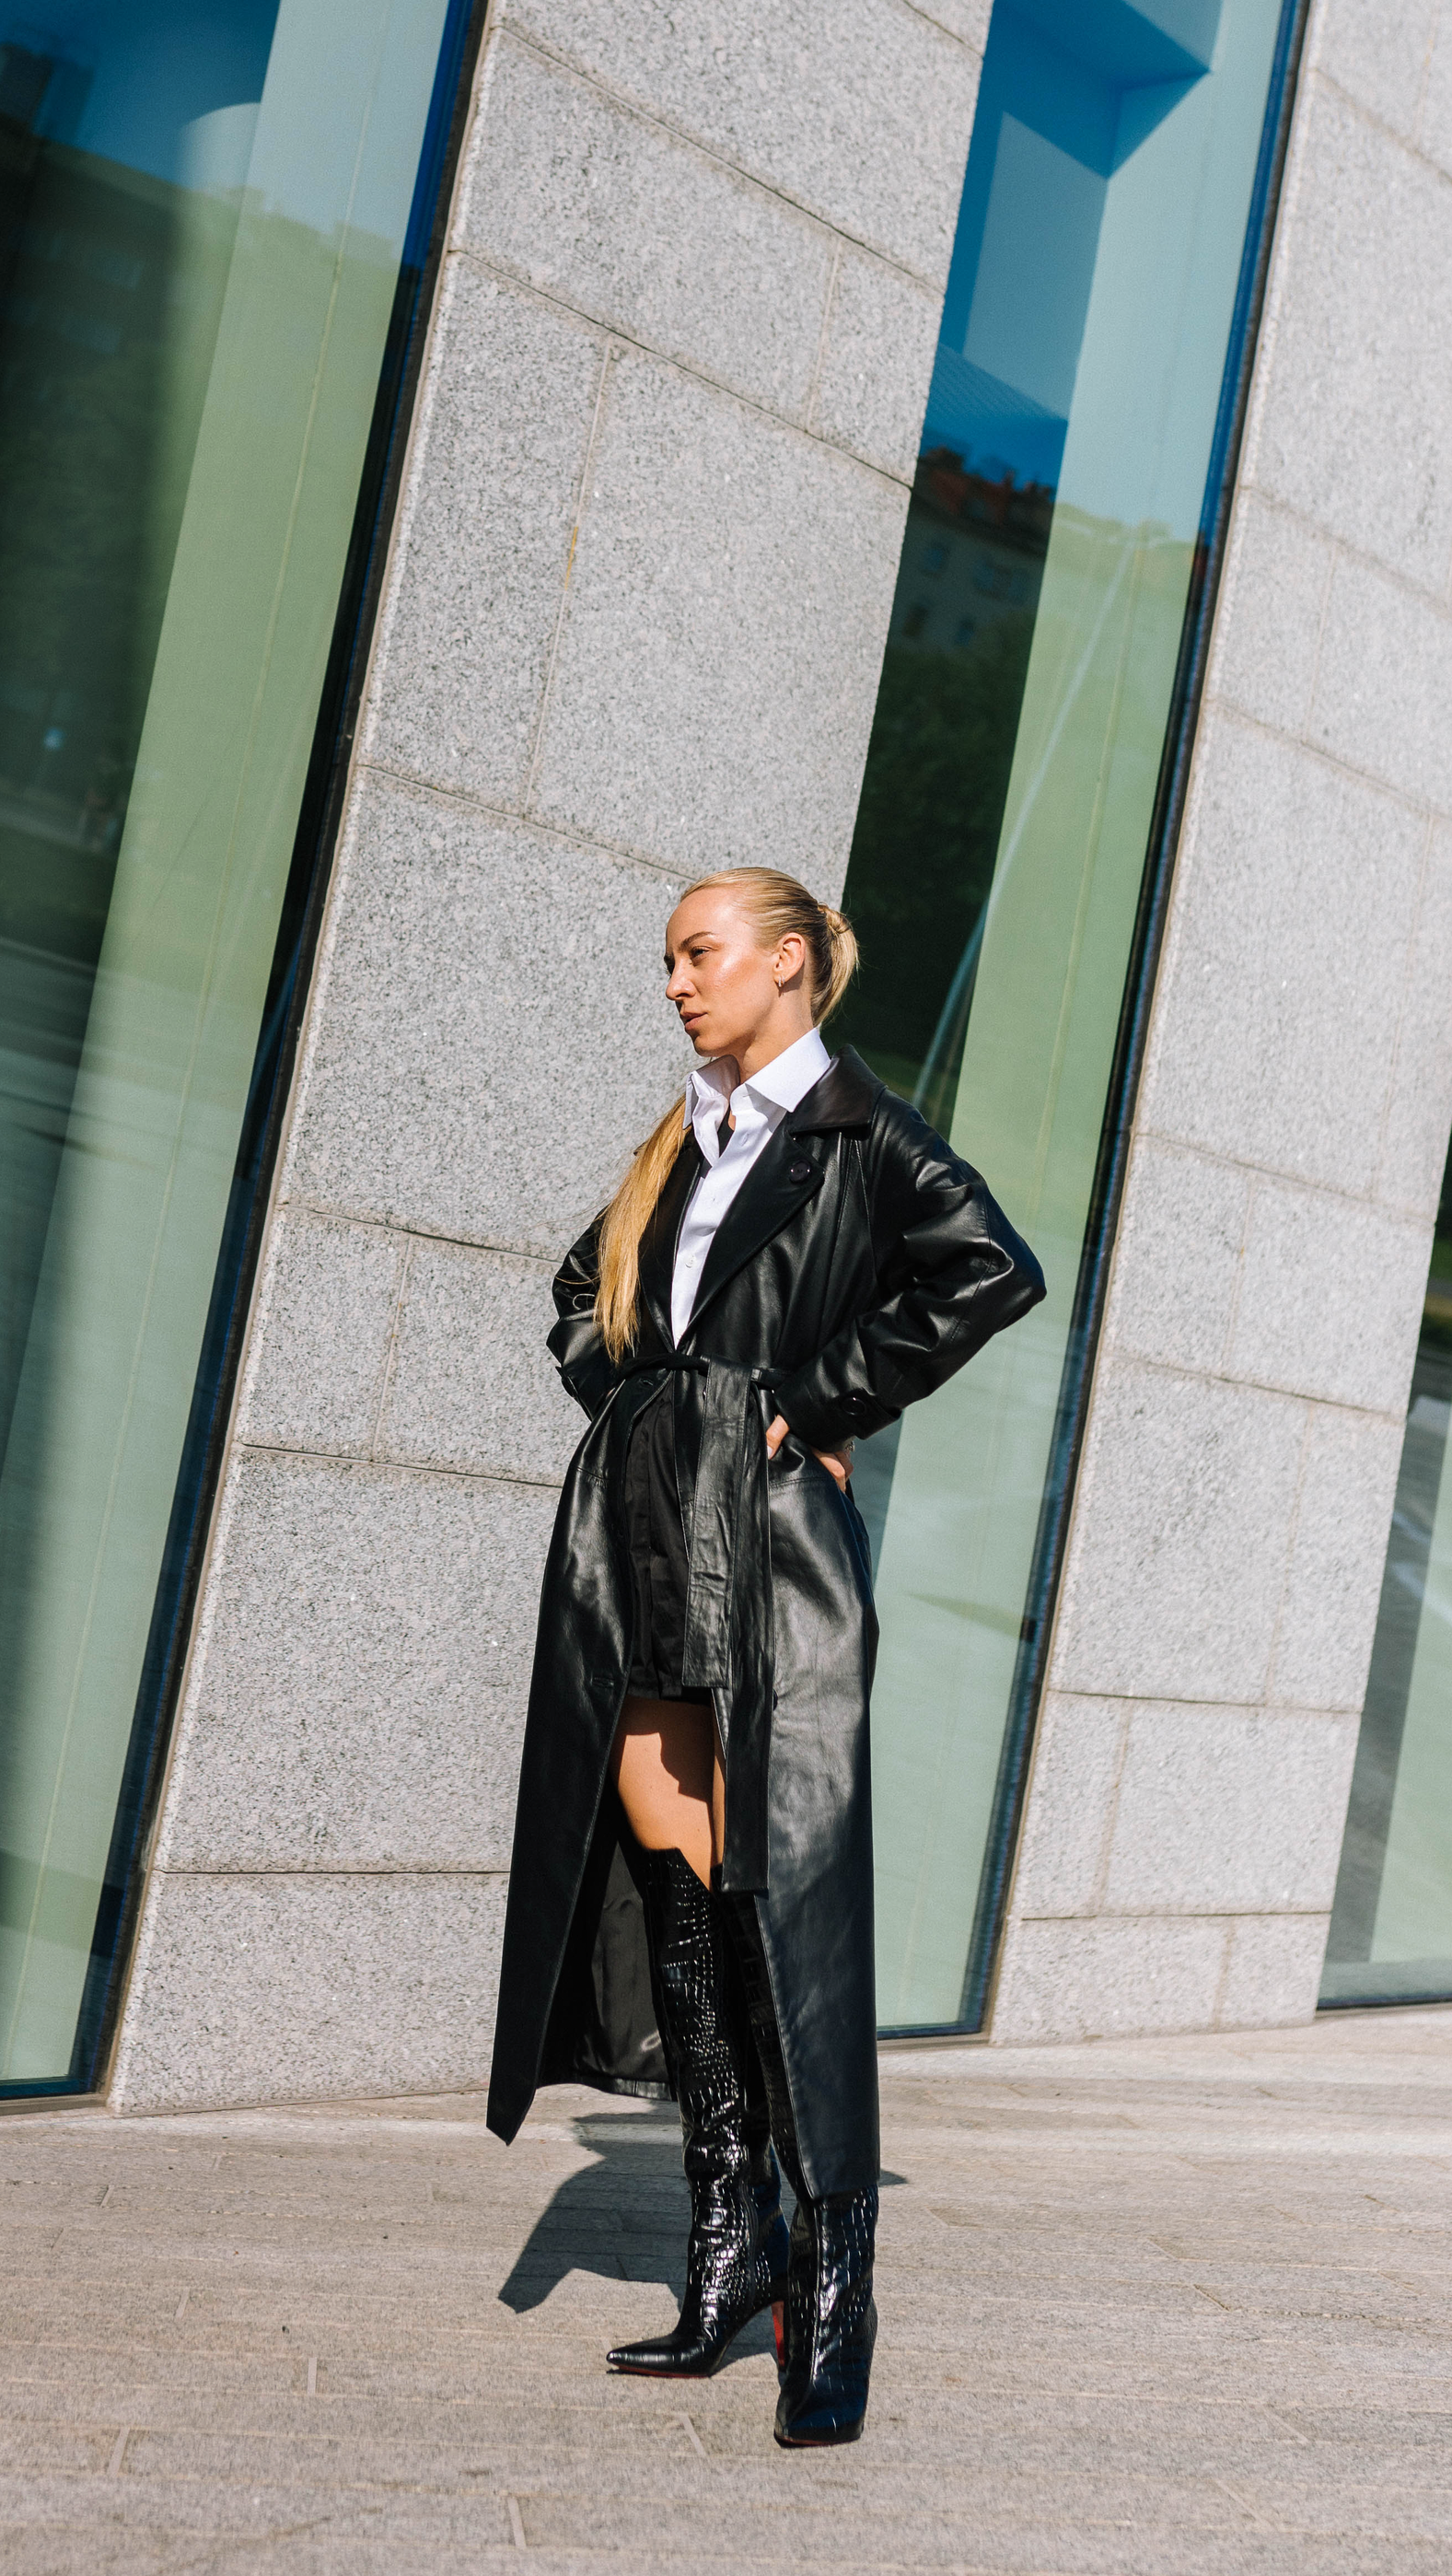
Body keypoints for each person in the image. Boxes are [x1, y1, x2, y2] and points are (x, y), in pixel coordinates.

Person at [486, 868, 1044, 2447]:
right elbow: (580, 1302)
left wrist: (815, 1399)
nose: (677, 979)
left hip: (777, 1543)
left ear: (789, 962)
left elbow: (993, 1269)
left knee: (784, 1891)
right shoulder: (691, 1132)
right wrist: (656, 1401)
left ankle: (837, 2274)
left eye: (702, 953)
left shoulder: (866, 1133)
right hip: (651, 1529)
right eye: (669, 957)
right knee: (676, 1863)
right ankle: (730, 2236)